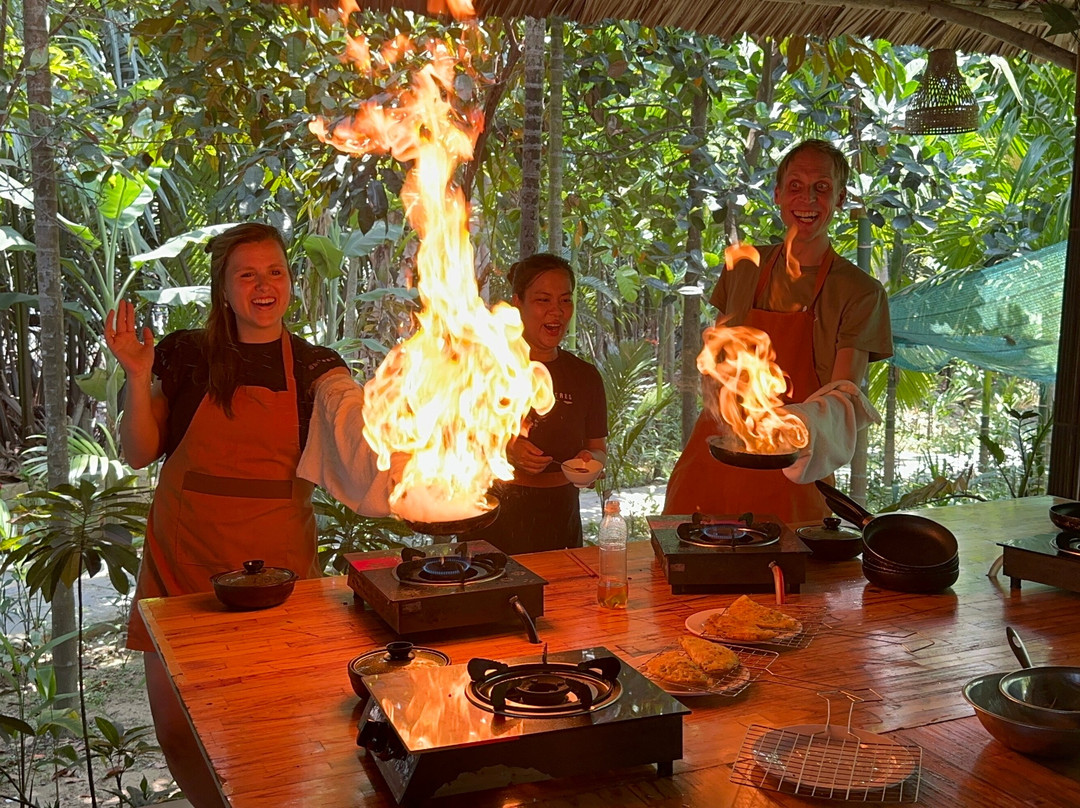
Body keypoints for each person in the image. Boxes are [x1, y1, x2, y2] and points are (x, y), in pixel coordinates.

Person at [105, 222, 385, 808]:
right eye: (248, 274)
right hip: (182, 570)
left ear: (290, 283)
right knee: (180, 735)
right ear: (224, 290)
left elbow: (361, 442)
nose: (265, 286)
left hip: (278, 581)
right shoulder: (185, 356)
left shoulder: (315, 371)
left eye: (275, 272)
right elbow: (137, 452)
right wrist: (135, 374)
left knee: (276, 735)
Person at [664, 139, 893, 524]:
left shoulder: (859, 291)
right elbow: (717, 357)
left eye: (822, 188)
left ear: (840, 199)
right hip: (716, 453)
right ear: (778, 194)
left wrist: (784, 429)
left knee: (787, 577)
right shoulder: (743, 267)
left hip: (792, 462)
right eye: (795, 186)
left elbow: (842, 397)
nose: (807, 199)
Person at [463, 253, 608, 554]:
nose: (556, 311)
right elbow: (453, 444)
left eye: (565, 300)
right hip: (495, 514)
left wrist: (590, 462)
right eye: (543, 300)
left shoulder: (584, 376)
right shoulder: (486, 368)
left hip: (562, 516)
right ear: (518, 303)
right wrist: (506, 449)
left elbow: (598, 449)